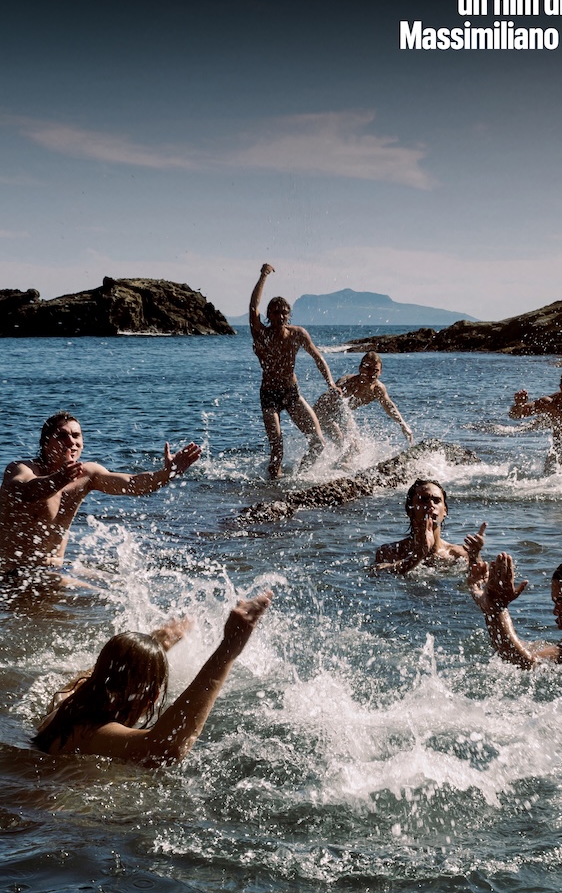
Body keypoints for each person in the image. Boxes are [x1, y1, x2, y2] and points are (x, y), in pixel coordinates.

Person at [34, 593, 272, 762]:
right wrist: (228, 649)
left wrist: (153, 645)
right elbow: (166, 747)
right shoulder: (95, 735)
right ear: (153, 698)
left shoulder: (63, 704)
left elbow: (97, 675)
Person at [0, 411, 202, 584]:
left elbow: (132, 484)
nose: (71, 442)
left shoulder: (87, 474)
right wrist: (59, 479)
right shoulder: (22, 468)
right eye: (62, 436)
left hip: (56, 569)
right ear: (45, 443)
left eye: (76, 435)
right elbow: (24, 491)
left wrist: (167, 473)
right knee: (103, 598)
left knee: (124, 586)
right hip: (15, 574)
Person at [249, 263, 336, 479]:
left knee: (318, 442)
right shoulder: (261, 334)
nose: (280, 316)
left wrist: (331, 384)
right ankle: (272, 487)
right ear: (269, 314)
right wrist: (263, 275)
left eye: (284, 313)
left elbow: (318, 358)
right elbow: (253, 306)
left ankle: (298, 479)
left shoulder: (298, 334)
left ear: (289, 315)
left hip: (291, 393)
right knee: (277, 449)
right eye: (275, 312)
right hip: (269, 395)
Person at [374, 480, 485, 575]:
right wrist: (418, 554)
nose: (431, 505)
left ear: (445, 511)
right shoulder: (390, 552)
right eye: (423, 500)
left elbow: (480, 581)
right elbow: (378, 573)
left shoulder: (459, 555)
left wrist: (475, 557)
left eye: (436, 501)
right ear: (409, 510)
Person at [315, 350, 414, 453]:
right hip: (323, 414)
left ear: (380, 372)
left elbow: (389, 406)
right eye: (367, 368)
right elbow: (334, 402)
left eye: (375, 370)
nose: (371, 374)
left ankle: (336, 464)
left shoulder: (378, 389)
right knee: (349, 445)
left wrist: (403, 425)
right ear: (360, 369)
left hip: (342, 415)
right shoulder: (348, 383)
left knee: (356, 449)